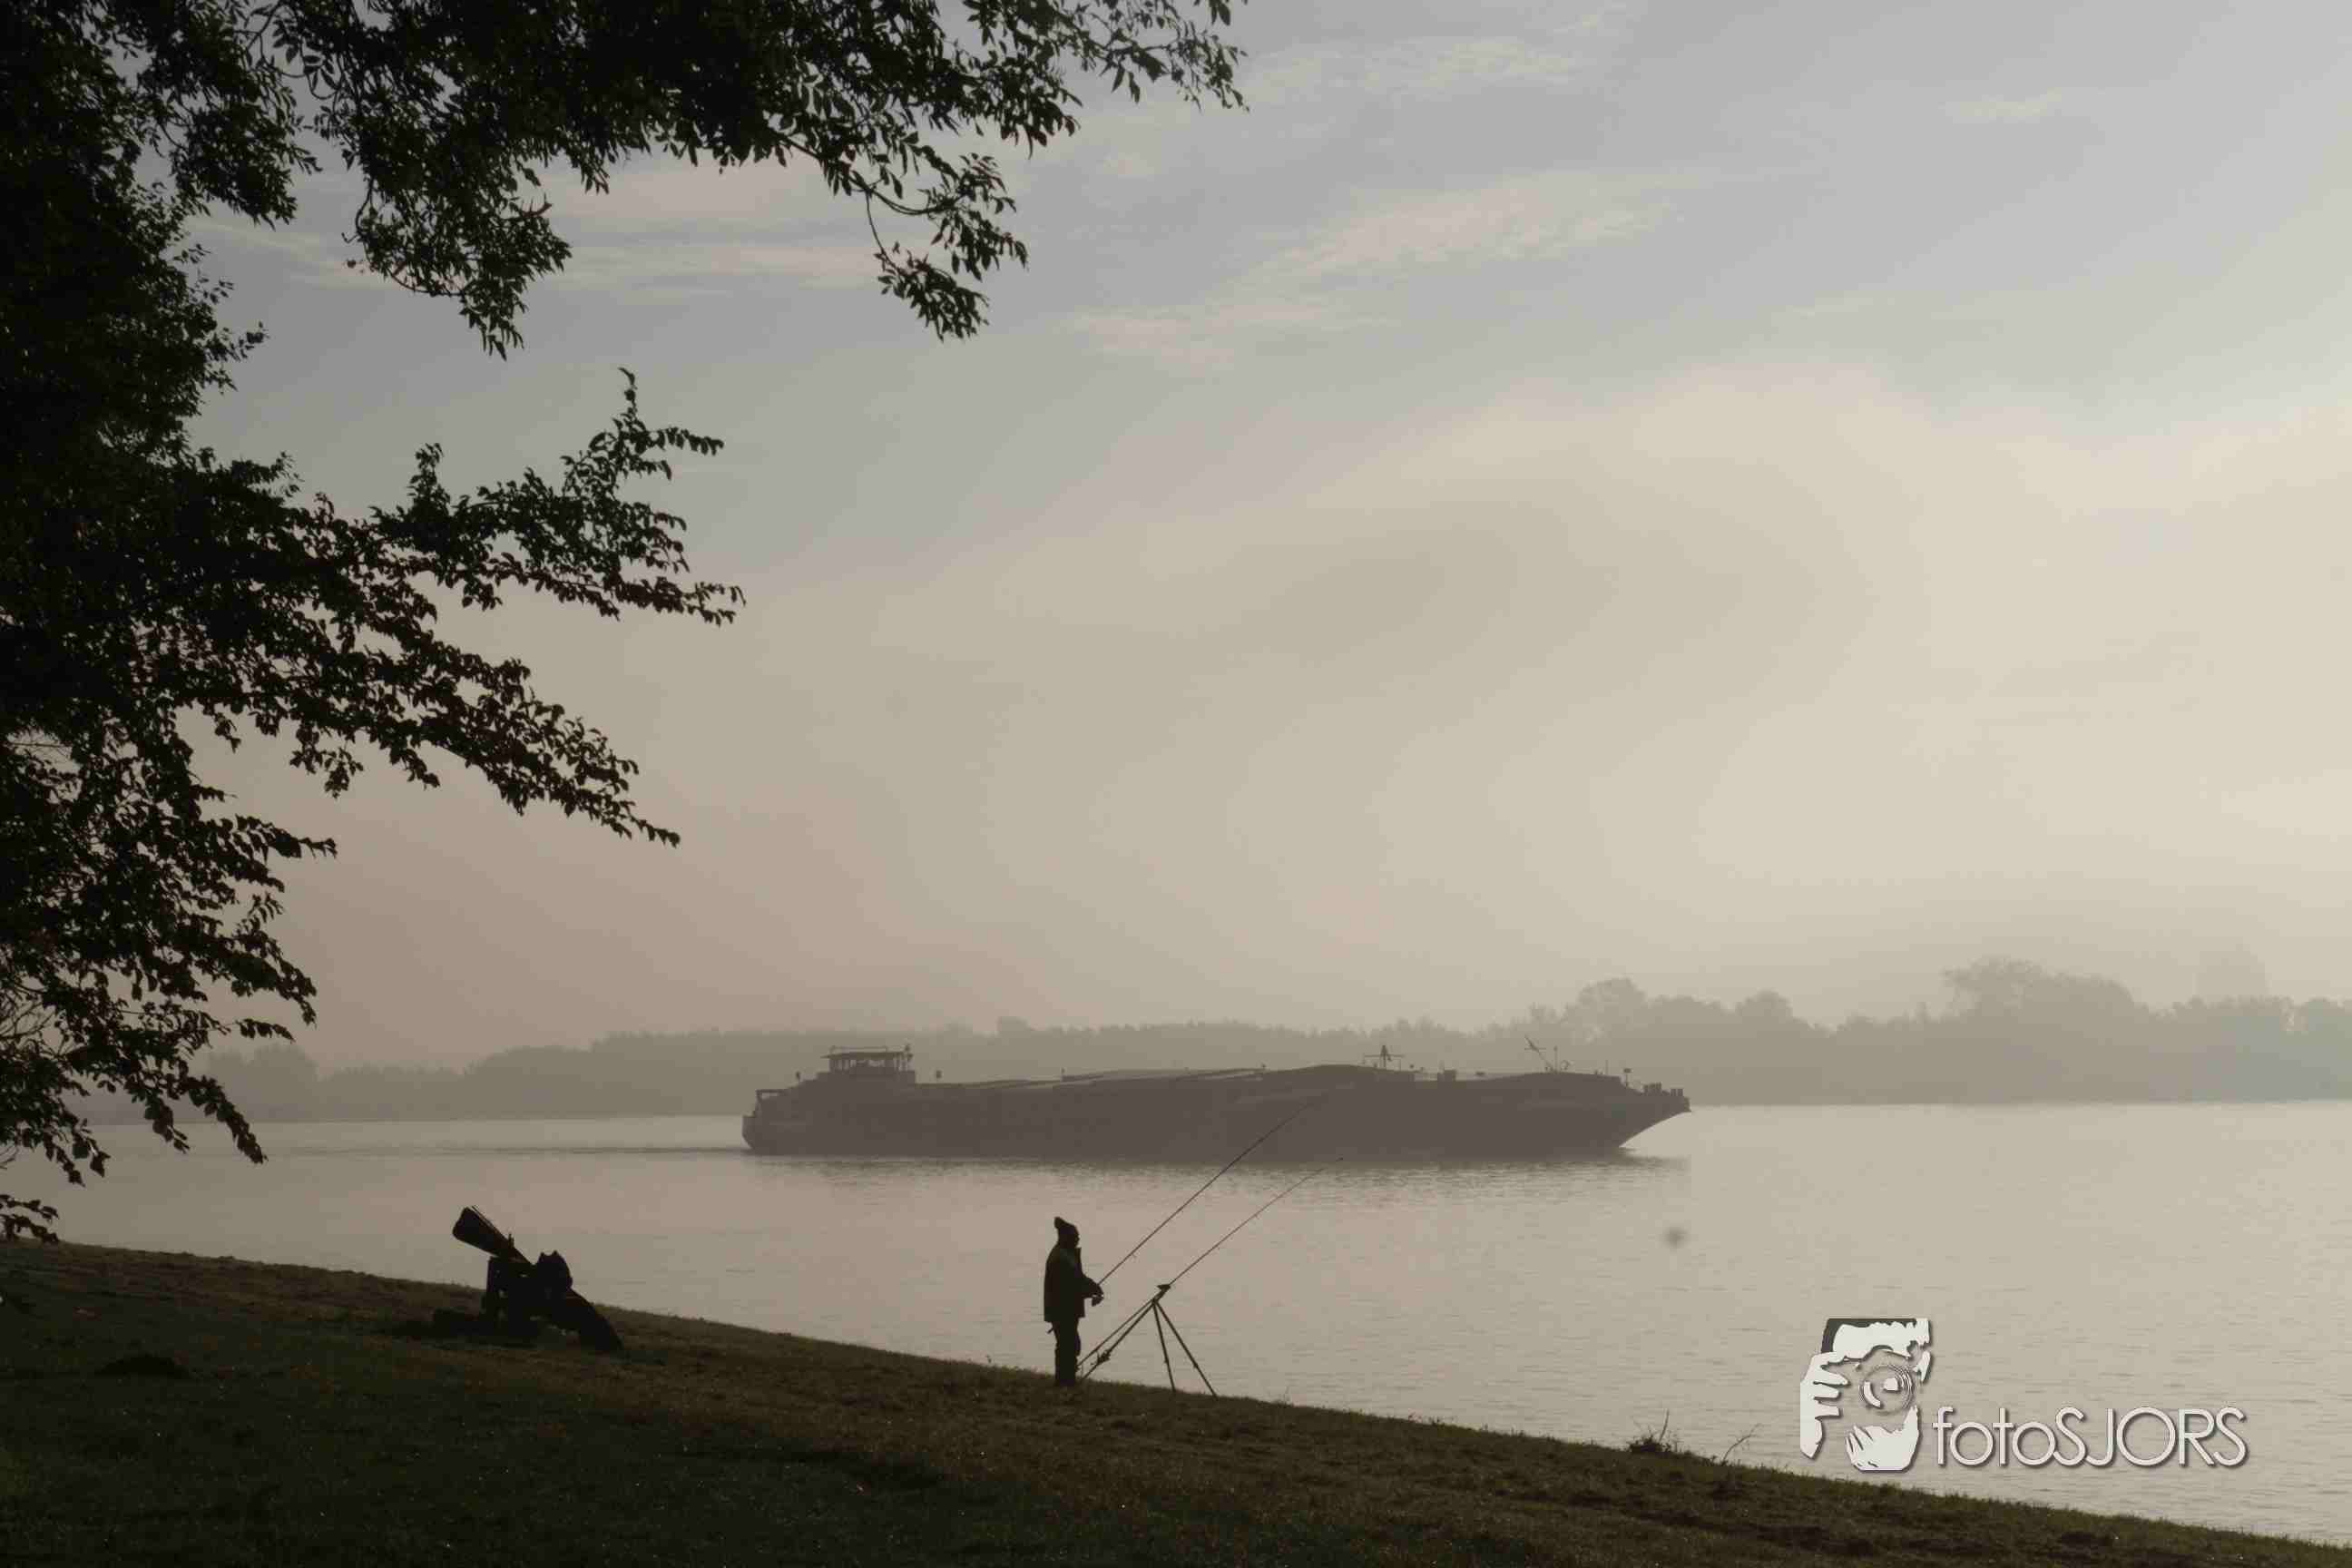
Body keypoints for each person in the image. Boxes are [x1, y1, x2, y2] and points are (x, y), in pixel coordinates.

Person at [1042, 1215, 1104, 1387]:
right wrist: (1090, 1292)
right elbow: (1069, 1286)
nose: (1077, 1239)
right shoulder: (1060, 1257)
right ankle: (1064, 1382)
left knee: (1070, 1344)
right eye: (1075, 1236)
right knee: (1067, 1344)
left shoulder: (1067, 1254)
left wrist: (1093, 1287)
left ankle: (1067, 1381)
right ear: (1065, 1237)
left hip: (1067, 1308)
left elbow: (1078, 1278)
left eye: (1078, 1236)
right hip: (1061, 1309)